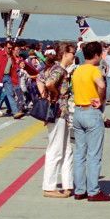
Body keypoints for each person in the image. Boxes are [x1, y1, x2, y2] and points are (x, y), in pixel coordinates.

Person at [71, 40, 110, 202]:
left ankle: (80, 189)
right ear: (96, 55)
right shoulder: (94, 70)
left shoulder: (77, 70)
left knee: (80, 153)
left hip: (78, 111)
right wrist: (100, 100)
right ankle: (93, 191)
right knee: (94, 154)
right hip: (91, 112)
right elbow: (101, 85)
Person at [38, 44, 75, 198]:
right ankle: (49, 187)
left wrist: (44, 95)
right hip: (58, 112)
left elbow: (40, 79)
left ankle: (68, 184)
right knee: (56, 149)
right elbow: (49, 83)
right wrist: (54, 94)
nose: (74, 56)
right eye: (72, 53)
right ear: (65, 54)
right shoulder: (59, 70)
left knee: (67, 150)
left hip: (61, 113)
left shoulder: (51, 68)